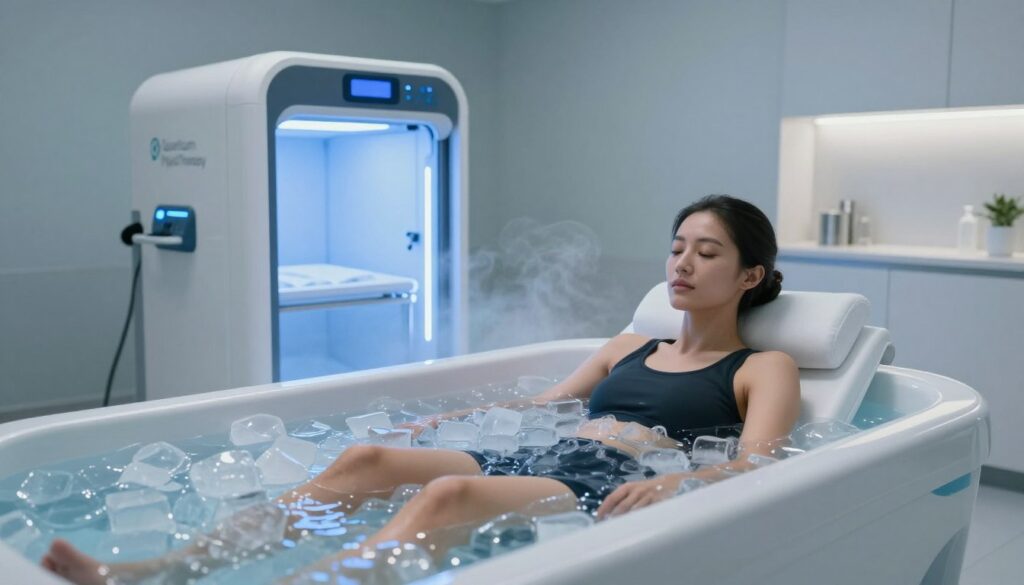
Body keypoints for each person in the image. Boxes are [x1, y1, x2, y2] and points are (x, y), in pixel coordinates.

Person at [41, 194, 800, 585]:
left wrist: (680, 484)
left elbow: (760, 461)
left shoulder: (762, 367)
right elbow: (549, 406)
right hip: (554, 454)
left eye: (707, 252)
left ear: (750, 275)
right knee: (366, 458)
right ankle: (155, 569)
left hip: (621, 480)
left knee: (441, 498)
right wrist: (463, 415)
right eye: (676, 247)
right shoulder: (629, 344)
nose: (682, 264)